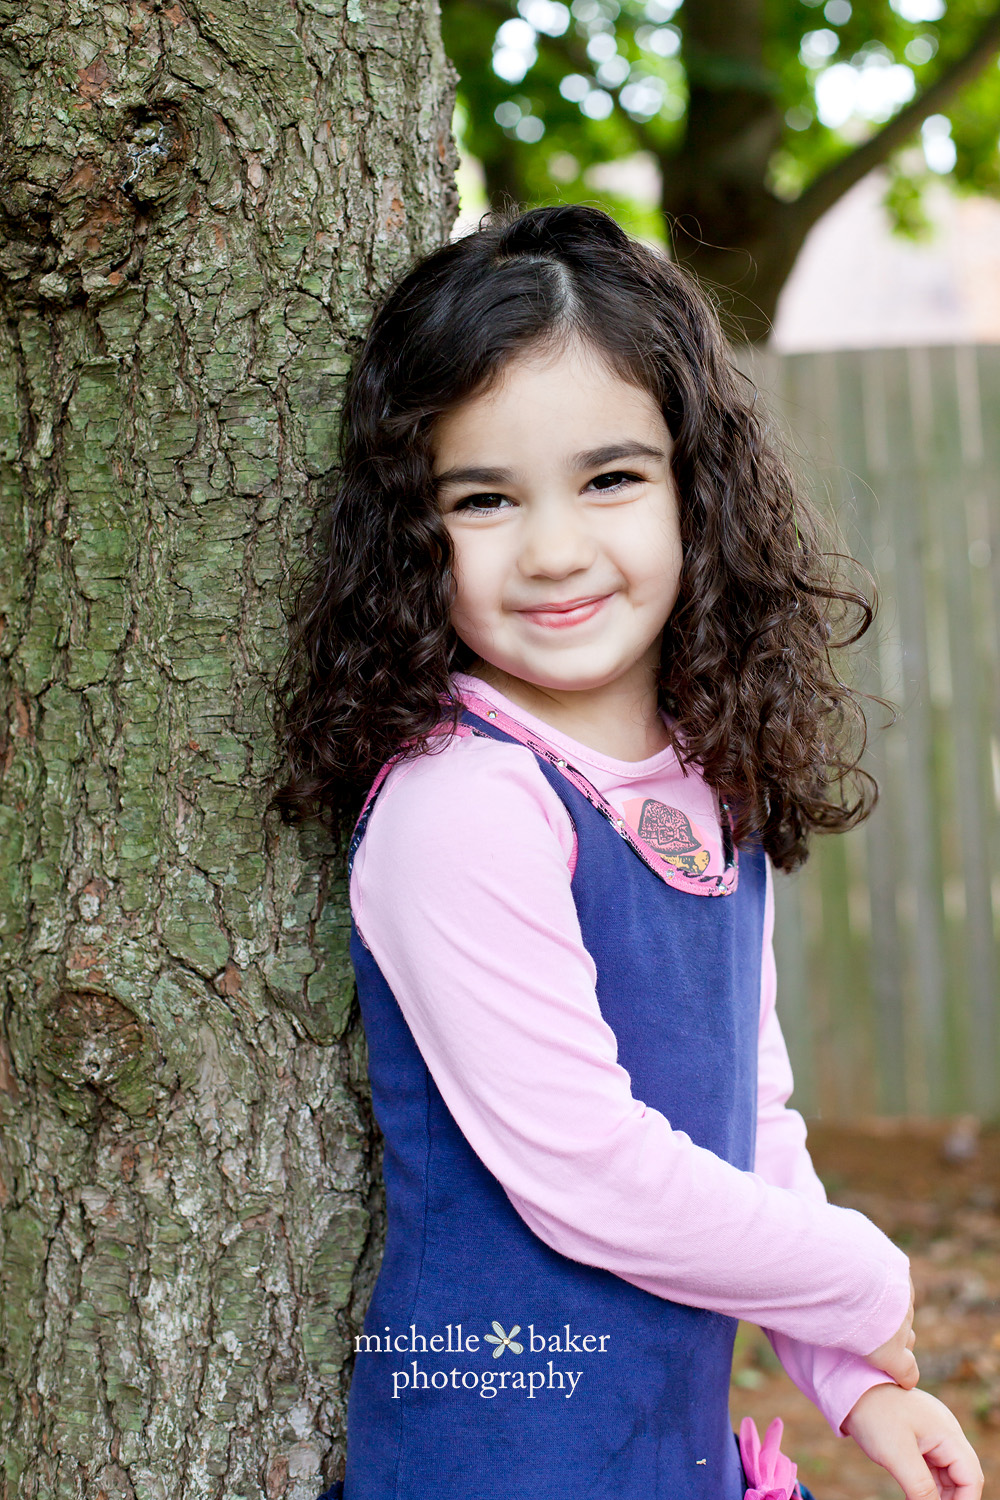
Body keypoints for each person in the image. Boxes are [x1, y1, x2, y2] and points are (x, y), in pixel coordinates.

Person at [267, 204, 983, 1500]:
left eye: (609, 477)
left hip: (661, 1449)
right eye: (483, 498)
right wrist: (867, 1276)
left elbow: (748, 1126)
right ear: (413, 536)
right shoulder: (466, 805)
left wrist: (852, 1373)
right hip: (499, 1447)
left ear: (694, 486)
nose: (553, 551)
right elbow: (585, 1172)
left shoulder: (705, 778)